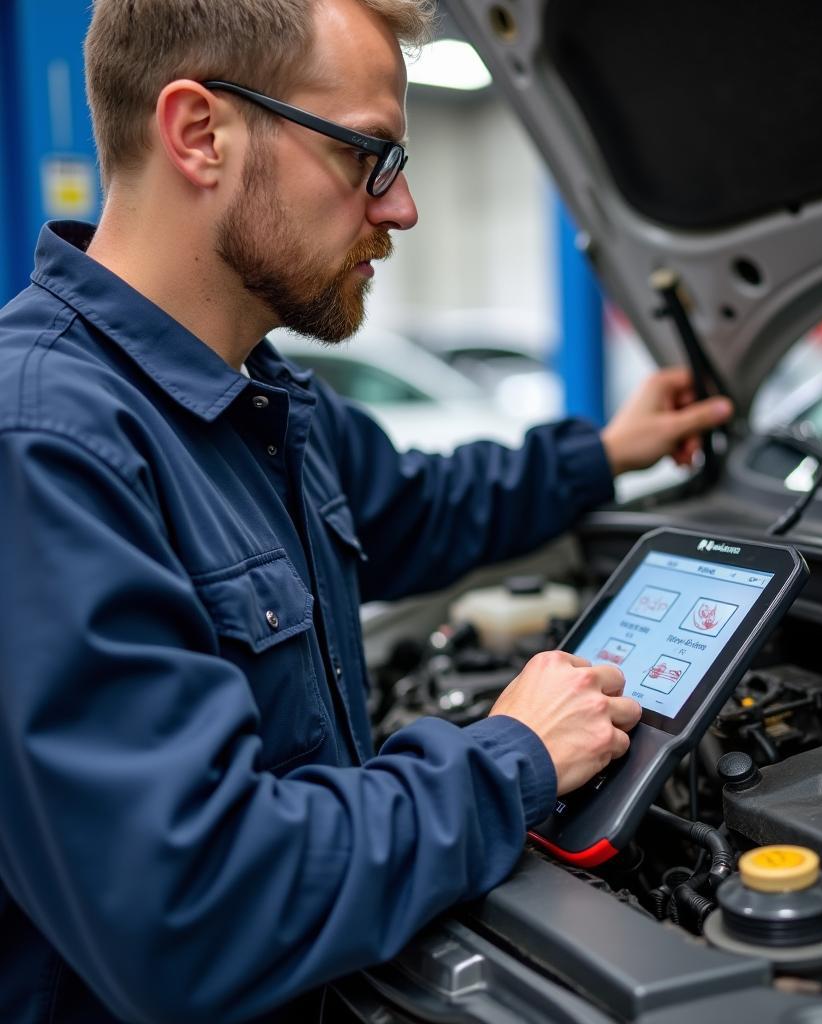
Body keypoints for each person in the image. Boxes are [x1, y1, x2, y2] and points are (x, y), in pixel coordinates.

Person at [0, 0, 733, 1020]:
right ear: (199, 133)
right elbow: (188, 908)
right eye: (368, 156)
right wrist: (507, 759)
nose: (401, 210)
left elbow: (422, 509)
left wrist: (608, 453)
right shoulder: (45, 445)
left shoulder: (260, 400)